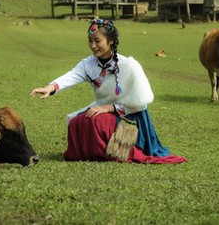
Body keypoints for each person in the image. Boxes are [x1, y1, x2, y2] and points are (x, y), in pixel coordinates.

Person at [30, 18, 186, 164]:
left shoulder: (129, 65)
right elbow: (70, 76)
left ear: (110, 41)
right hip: (103, 108)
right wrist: (50, 88)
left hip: (129, 113)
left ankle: (112, 153)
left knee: (95, 121)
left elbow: (143, 100)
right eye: (90, 41)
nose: (93, 45)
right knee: (76, 122)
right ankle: (90, 155)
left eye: (97, 41)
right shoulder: (88, 64)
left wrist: (109, 108)